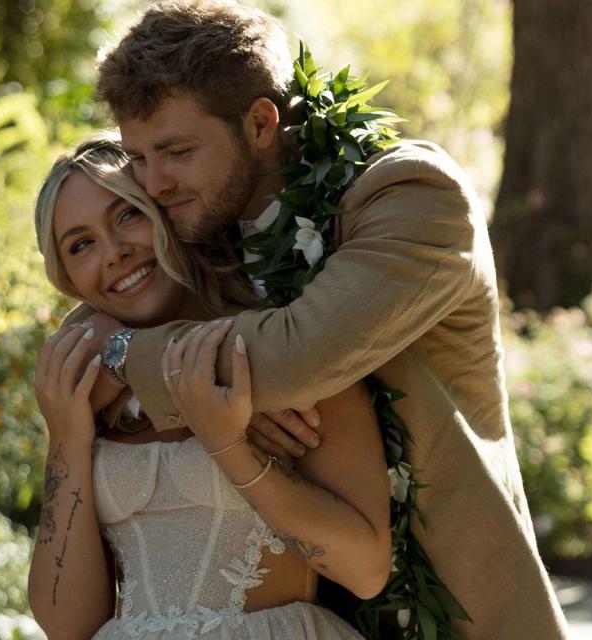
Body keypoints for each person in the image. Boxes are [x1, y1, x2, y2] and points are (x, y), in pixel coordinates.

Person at [71, 2, 572, 638]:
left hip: (451, 610)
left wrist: (123, 353)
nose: (155, 183)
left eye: (175, 151)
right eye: (138, 157)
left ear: (259, 122)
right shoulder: (197, 230)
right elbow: (85, 325)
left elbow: (292, 358)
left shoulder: (412, 197)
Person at [27, 136, 391, 639]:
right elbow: (68, 626)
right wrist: (66, 436)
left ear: (169, 213)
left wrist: (228, 444)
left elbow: (365, 569)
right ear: (66, 276)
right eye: (81, 244)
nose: (114, 253)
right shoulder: (89, 388)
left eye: (128, 215)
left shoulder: (284, 350)